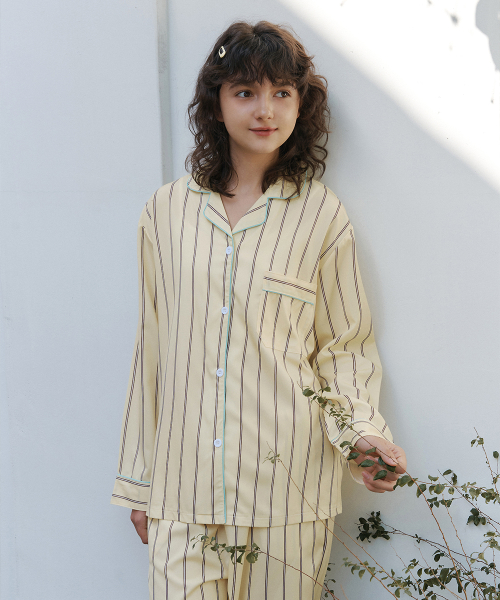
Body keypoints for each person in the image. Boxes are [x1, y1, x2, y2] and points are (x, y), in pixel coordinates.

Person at [110, 19, 407, 600]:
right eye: (245, 91)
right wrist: (139, 483)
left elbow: (344, 348)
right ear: (216, 104)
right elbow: (152, 352)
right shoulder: (165, 212)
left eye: (282, 92)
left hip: (289, 495)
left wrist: (363, 436)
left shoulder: (321, 215)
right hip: (183, 493)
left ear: (301, 105)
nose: (265, 110)